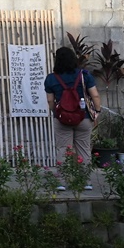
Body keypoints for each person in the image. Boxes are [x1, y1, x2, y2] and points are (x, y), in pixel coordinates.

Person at [45, 46, 101, 188]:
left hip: (62, 118)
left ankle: (62, 182)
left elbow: (50, 101)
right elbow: (94, 95)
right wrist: (97, 111)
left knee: (63, 149)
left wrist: (55, 113)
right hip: (84, 117)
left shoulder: (51, 79)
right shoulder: (84, 75)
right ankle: (86, 182)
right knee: (83, 148)